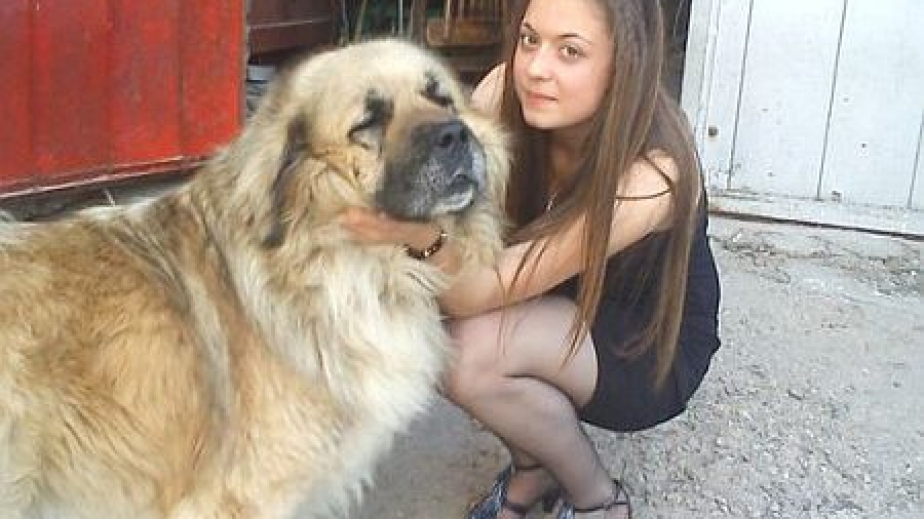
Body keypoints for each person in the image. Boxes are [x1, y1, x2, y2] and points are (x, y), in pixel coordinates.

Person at [340, 0, 721, 517]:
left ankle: (598, 499)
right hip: (555, 286)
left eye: (571, 51)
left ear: (625, 63)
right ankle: (534, 467)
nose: (536, 68)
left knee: (466, 352)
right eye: (529, 39)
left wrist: (412, 232)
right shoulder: (505, 90)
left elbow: (469, 290)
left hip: (645, 342)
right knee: (421, 323)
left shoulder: (653, 175)